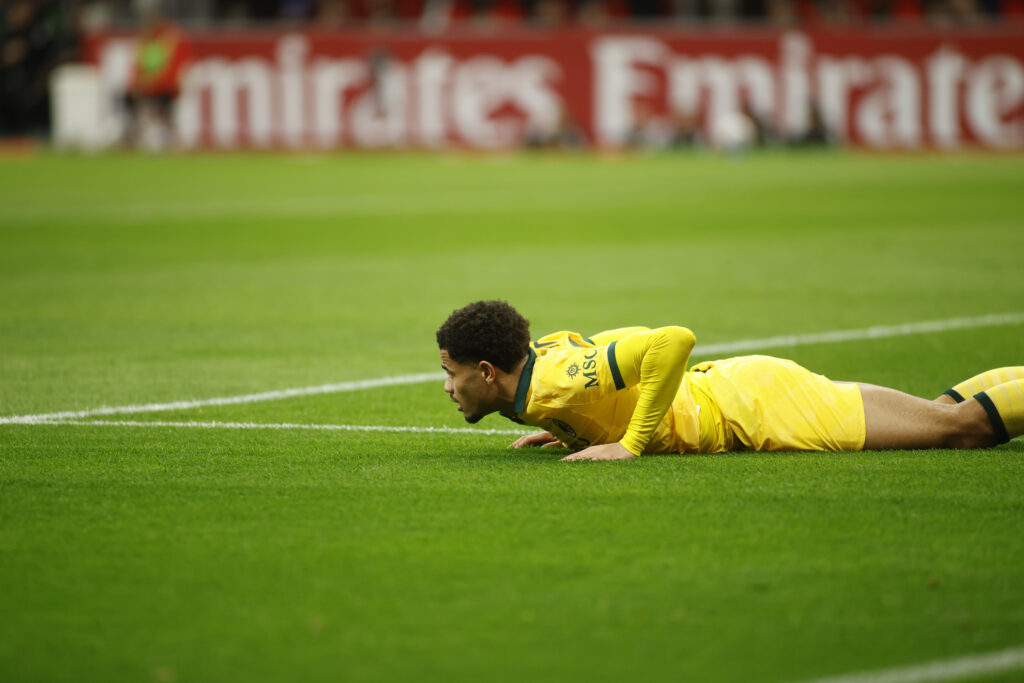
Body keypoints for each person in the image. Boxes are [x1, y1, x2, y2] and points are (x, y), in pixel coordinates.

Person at [436, 300, 1024, 462]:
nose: (447, 388)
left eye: (451, 374)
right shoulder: (539, 379)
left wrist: (629, 443)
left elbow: (672, 339)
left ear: (486, 372)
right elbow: (589, 362)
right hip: (743, 390)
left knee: (961, 429)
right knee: (938, 413)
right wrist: (578, 429)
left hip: (756, 408)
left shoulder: (558, 381)